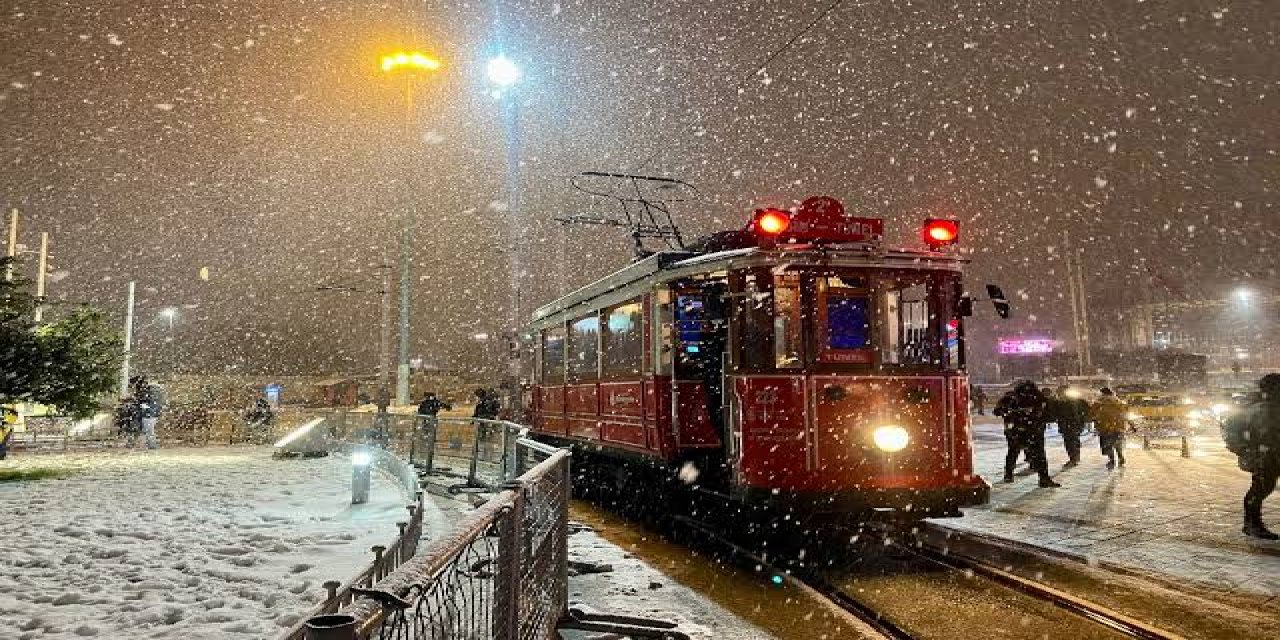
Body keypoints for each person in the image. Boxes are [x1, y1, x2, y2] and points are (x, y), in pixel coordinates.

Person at [1222, 374, 1280, 540]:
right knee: (1261, 489)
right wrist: (1245, 450)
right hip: (1264, 456)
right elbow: (1233, 431)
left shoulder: (1271, 406)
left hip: (1272, 454)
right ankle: (1252, 524)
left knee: (1262, 489)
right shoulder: (1254, 408)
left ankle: (1252, 524)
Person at [994, 381, 1059, 487]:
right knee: (1038, 455)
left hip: (1019, 430)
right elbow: (1051, 415)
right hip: (1032, 430)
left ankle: (1009, 474)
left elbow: (998, 411)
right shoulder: (1039, 398)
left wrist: (1012, 413)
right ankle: (1043, 478)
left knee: (1014, 452)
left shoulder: (1013, 398)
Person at [1090, 387, 1129, 470]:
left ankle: (1112, 460)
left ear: (1102, 393)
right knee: (1117, 443)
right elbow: (1125, 414)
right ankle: (1120, 456)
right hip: (1118, 427)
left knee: (1107, 444)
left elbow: (1092, 414)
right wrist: (1131, 425)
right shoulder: (1119, 402)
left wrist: (1094, 420)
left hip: (1104, 427)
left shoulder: (1098, 403)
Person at [1050, 386, 1090, 467]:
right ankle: (1075, 458)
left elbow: (1086, 410)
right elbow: (1053, 413)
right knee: (1072, 441)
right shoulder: (1059, 402)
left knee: (1071, 442)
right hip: (1069, 425)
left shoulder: (1076, 401)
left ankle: (1074, 459)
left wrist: (1082, 419)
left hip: (1072, 425)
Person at [132, 376, 165, 450]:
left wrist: (142, 404)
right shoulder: (150, 390)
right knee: (146, 430)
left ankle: (152, 445)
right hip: (150, 413)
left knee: (149, 430)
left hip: (149, 414)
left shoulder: (149, 391)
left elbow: (148, 402)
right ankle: (146, 445)